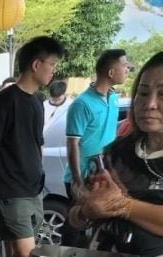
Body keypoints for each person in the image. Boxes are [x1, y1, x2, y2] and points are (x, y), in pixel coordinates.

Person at [0, 36, 64, 257]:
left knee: (16, 254)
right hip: (10, 191)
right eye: (52, 64)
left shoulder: (36, 101)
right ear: (36, 64)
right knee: (27, 254)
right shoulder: (4, 101)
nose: (54, 70)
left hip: (33, 188)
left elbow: (38, 143)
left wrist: (40, 177)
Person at [68, 51, 163, 257]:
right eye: (144, 93)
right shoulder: (115, 153)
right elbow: (74, 215)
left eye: (162, 94)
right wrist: (87, 211)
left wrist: (124, 205)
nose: (150, 104)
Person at [62, 50, 131, 247]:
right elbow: (72, 143)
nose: (127, 70)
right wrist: (78, 182)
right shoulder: (82, 104)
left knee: (98, 229)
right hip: (83, 175)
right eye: (124, 65)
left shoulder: (113, 98)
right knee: (76, 226)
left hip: (104, 174)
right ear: (111, 72)